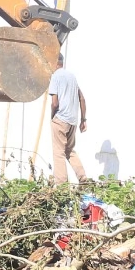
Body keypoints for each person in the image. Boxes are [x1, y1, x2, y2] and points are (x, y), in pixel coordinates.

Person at [47, 52, 88, 183]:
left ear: (54, 63)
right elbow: (82, 98)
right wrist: (83, 120)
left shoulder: (55, 77)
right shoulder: (72, 77)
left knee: (58, 153)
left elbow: (55, 103)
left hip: (60, 119)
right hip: (73, 121)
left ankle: (62, 186)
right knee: (69, 150)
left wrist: (52, 117)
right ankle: (83, 178)